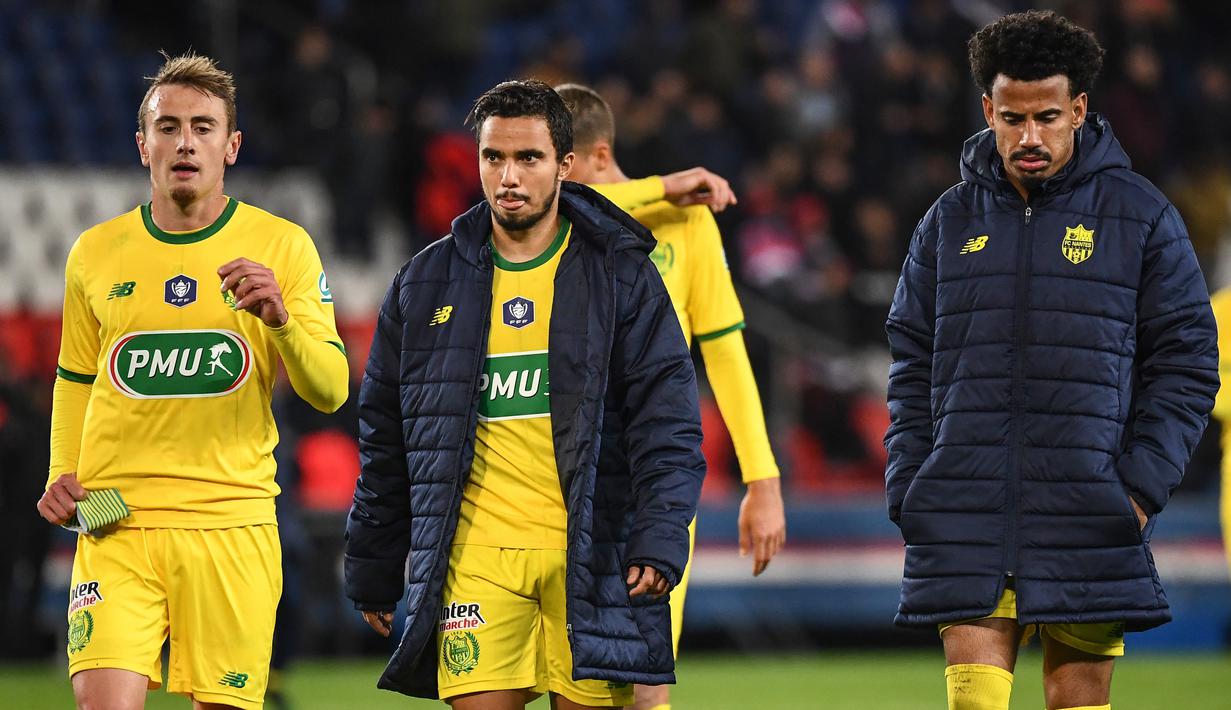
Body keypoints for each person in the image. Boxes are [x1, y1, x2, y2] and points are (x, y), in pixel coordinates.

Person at [884, 11, 1217, 710]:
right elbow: (909, 360)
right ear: (987, 110)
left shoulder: (1141, 216)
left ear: (1078, 110)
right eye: (1011, 118)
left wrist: (1136, 488)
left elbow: (1186, 363)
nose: (1028, 136)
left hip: (1088, 511)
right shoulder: (947, 221)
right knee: (973, 702)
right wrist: (910, 479)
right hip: (964, 505)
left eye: (1045, 117)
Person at [343, 79, 705, 709]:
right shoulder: (425, 282)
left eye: (528, 158)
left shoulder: (622, 274)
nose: (508, 176)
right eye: (494, 158)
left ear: (565, 165)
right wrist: (376, 559)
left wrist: (659, 534)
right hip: (476, 560)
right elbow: (387, 436)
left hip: (591, 555)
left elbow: (666, 420)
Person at [36, 52, 349, 710]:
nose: (185, 141)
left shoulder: (282, 245)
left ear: (231, 146)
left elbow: (330, 390)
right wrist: (61, 467)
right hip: (113, 518)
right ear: (142, 143)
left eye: (203, 127)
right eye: (168, 125)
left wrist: (284, 322)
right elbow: (75, 375)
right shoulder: (95, 252)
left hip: (230, 523)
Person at [556, 83, 787, 710]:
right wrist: (662, 183)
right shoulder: (556, 223)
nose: (531, 179)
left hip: (651, 475)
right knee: (565, 682)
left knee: (644, 680)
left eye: (553, 161)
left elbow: (726, 353)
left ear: (595, 155)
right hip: (558, 474)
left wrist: (761, 481)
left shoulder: (687, 222)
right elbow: (568, 201)